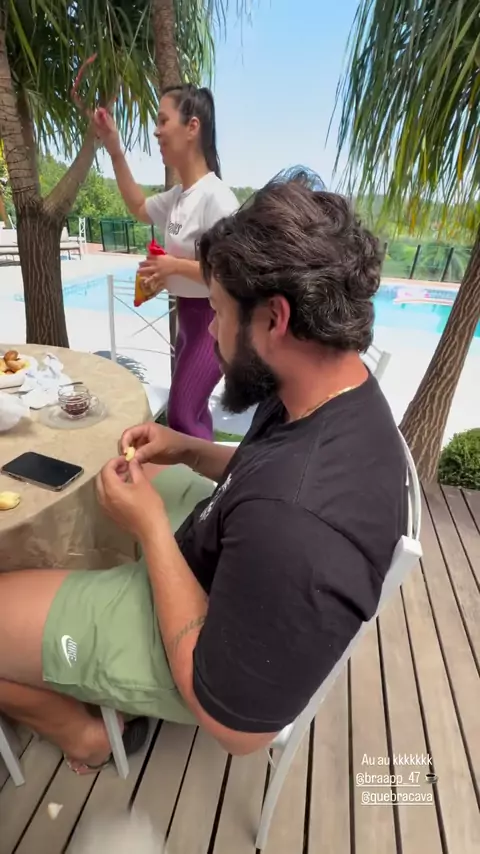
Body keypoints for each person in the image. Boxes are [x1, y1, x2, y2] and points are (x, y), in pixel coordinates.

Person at [0, 174, 407, 772]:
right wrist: (188, 450)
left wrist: (150, 530)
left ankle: (81, 733)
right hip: (219, 550)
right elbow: (266, 468)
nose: (211, 331)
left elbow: (236, 729)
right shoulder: (326, 385)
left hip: (196, 646)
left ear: (275, 318)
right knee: (101, 483)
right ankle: (61, 622)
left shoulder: (298, 525)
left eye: (217, 312)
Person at [93, 85, 239, 440]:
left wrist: (172, 267)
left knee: (182, 414)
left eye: (163, 121)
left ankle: (205, 474)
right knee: (193, 412)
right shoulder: (179, 197)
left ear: (192, 127)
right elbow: (138, 207)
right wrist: (114, 149)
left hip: (215, 321)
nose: (156, 131)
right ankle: (208, 473)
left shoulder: (217, 199)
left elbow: (233, 274)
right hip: (188, 318)